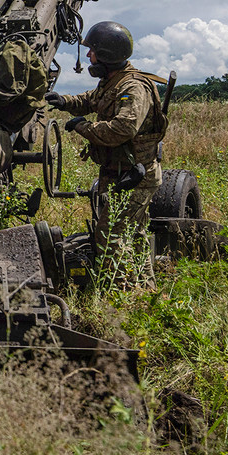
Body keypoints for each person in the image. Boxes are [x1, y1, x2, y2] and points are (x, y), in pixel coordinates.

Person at [44, 21, 167, 269]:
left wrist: (82, 127)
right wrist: (63, 101)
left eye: (93, 51)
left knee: (110, 235)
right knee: (134, 233)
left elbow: (122, 129)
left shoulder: (132, 87)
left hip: (135, 176)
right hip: (121, 174)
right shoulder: (113, 82)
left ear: (107, 55)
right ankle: (142, 287)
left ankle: (118, 292)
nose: (88, 55)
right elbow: (91, 100)